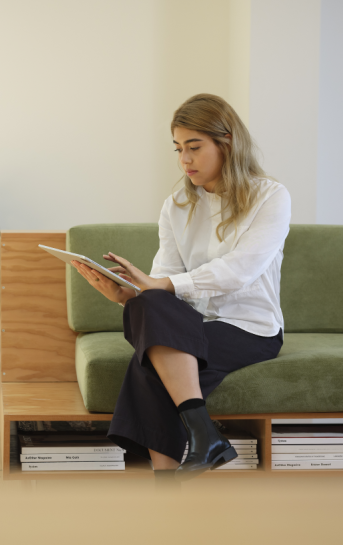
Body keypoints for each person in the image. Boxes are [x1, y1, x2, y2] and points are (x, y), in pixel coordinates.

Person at [71, 93, 291, 481]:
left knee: (150, 365)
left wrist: (161, 286)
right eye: (178, 149)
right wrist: (127, 296)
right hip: (188, 324)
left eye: (194, 147)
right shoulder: (175, 205)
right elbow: (163, 280)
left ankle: (169, 481)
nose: (184, 160)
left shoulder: (270, 196)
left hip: (250, 327)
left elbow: (240, 270)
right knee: (144, 307)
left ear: (227, 143)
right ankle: (204, 437)